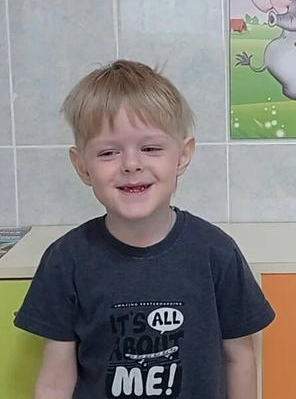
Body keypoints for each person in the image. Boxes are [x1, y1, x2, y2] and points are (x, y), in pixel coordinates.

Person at [14, 60, 275, 398]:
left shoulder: (216, 253)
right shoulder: (66, 260)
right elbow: (54, 380)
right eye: (108, 152)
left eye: (150, 148)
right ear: (82, 166)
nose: (132, 164)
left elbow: (239, 357)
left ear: (182, 156)